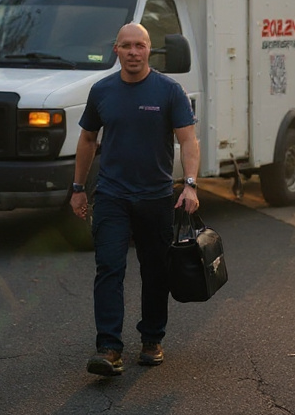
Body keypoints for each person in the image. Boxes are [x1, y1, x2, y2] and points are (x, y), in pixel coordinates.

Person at [70, 22, 200, 377]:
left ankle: (152, 339)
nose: (132, 52)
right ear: (117, 50)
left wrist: (189, 184)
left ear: (148, 49)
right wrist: (78, 188)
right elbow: (87, 141)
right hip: (112, 195)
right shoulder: (102, 91)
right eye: (126, 46)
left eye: (139, 46)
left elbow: (188, 140)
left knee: (155, 272)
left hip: (156, 197)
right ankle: (109, 348)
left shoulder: (168, 91)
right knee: (109, 267)